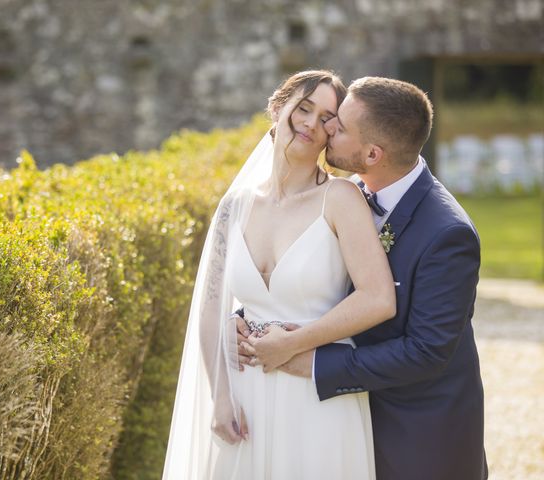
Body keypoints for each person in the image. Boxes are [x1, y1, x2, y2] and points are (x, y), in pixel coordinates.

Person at [239, 76, 488, 480]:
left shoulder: (447, 235)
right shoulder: (342, 194)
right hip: (332, 420)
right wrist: (248, 315)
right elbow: (297, 273)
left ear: (373, 153)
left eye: (339, 126)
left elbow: (426, 351)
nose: (327, 128)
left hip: (417, 435)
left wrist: (315, 363)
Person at [162, 70, 398, 479]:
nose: (310, 123)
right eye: (303, 108)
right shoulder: (234, 206)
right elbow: (210, 307)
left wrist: (292, 344)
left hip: (315, 393)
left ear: (333, 133)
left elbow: (378, 297)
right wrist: (219, 397)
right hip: (243, 396)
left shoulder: (341, 199)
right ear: (277, 108)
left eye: (326, 118)